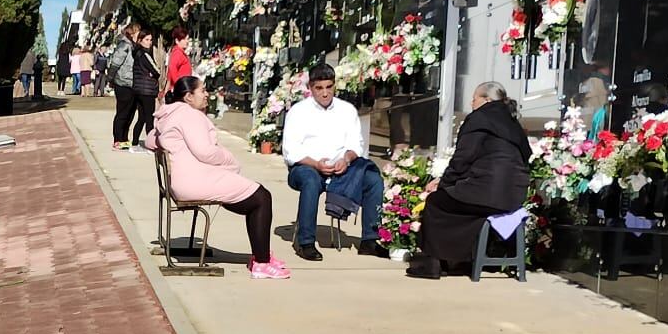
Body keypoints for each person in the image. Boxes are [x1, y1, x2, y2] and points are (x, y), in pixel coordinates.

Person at [147, 76, 289, 278]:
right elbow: (205, 151)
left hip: (185, 180)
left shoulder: (170, 114)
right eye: (202, 91)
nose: (207, 95)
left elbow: (150, 140)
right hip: (194, 181)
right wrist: (230, 161)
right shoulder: (189, 116)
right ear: (188, 96)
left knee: (249, 195)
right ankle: (262, 263)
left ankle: (261, 254)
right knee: (261, 197)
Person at [408, 82, 532, 279]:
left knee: (436, 203)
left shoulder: (479, 118)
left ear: (486, 100)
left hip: (486, 193)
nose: (471, 102)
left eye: (474, 98)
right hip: (514, 196)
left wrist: (443, 184)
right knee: (465, 207)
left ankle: (433, 263)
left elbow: (462, 159)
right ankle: (464, 260)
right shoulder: (513, 123)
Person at [281, 63, 388, 262]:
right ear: (310, 88)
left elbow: (357, 144)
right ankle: (306, 242)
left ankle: (370, 240)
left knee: (373, 178)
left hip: (341, 167)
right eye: (319, 88)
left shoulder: (346, 110)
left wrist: (346, 159)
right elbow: (291, 151)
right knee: (311, 181)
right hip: (306, 166)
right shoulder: (298, 111)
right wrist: (316, 164)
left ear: (334, 86)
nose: (324, 93)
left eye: (329, 87)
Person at [107, 24, 142, 149]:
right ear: (131, 33)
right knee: (122, 112)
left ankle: (124, 138)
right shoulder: (124, 45)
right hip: (123, 83)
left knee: (131, 112)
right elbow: (115, 63)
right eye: (138, 31)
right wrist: (110, 79)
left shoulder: (135, 46)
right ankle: (118, 139)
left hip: (133, 83)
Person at [129, 29, 161, 150]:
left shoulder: (136, 53)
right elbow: (157, 71)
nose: (149, 42)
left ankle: (135, 141)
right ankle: (151, 144)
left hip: (138, 89)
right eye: (147, 40)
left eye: (151, 40)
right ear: (140, 41)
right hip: (147, 90)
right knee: (149, 118)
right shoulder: (144, 54)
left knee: (141, 117)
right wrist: (153, 74)